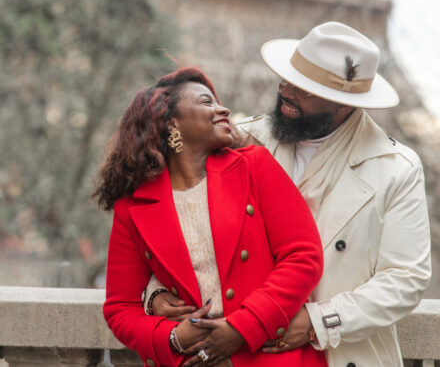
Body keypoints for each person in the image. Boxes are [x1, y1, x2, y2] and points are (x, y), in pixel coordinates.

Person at [150, 23, 432, 367]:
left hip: (343, 354)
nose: (286, 90)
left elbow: (405, 279)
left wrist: (318, 322)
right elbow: (185, 226)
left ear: (344, 103)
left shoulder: (398, 168)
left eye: (305, 89)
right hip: (242, 352)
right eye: (288, 77)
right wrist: (156, 293)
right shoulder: (241, 137)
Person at [95, 67, 326, 367]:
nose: (223, 108)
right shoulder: (134, 206)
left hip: (271, 356)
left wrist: (242, 327)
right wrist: (172, 337)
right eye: (207, 102)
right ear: (172, 122)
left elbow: (304, 257)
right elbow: (120, 307)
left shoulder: (255, 166)